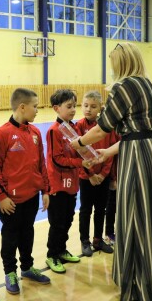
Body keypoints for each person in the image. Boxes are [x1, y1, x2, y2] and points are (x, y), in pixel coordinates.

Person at [71, 42, 152, 300]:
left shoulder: (123, 85)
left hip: (139, 158)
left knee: (134, 220)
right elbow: (140, 131)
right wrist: (108, 152)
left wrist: (79, 142)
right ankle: (149, 278)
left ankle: (137, 288)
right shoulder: (148, 84)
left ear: (120, 61)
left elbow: (102, 128)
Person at [0, 88, 51, 295]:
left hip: (32, 196)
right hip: (10, 200)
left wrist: (45, 190)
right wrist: (2, 196)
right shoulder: (3, 132)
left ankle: (26, 267)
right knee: (11, 236)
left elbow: (41, 164)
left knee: (27, 233)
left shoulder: (35, 132)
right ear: (22, 107)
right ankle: (10, 272)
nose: (37, 110)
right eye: (35, 106)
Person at [45, 89, 91, 274]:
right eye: (69, 106)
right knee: (57, 223)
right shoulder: (53, 130)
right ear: (57, 108)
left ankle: (61, 250)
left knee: (68, 219)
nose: (73, 110)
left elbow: (80, 151)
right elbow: (57, 159)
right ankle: (52, 255)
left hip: (72, 183)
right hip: (57, 184)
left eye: (74, 106)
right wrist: (81, 162)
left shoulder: (74, 128)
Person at [76, 90, 115, 256]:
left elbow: (111, 152)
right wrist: (90, 174)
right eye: (85, 106)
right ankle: (84, 241)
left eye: (93, 106)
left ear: (100, 107)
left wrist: (104, 174)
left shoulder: (106, 128)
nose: (88, 109)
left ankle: (98, 240)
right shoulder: (78, 126)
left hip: (103, 177)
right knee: (85, 210)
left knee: (101, 209)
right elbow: (78, 153)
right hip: (86, 178)